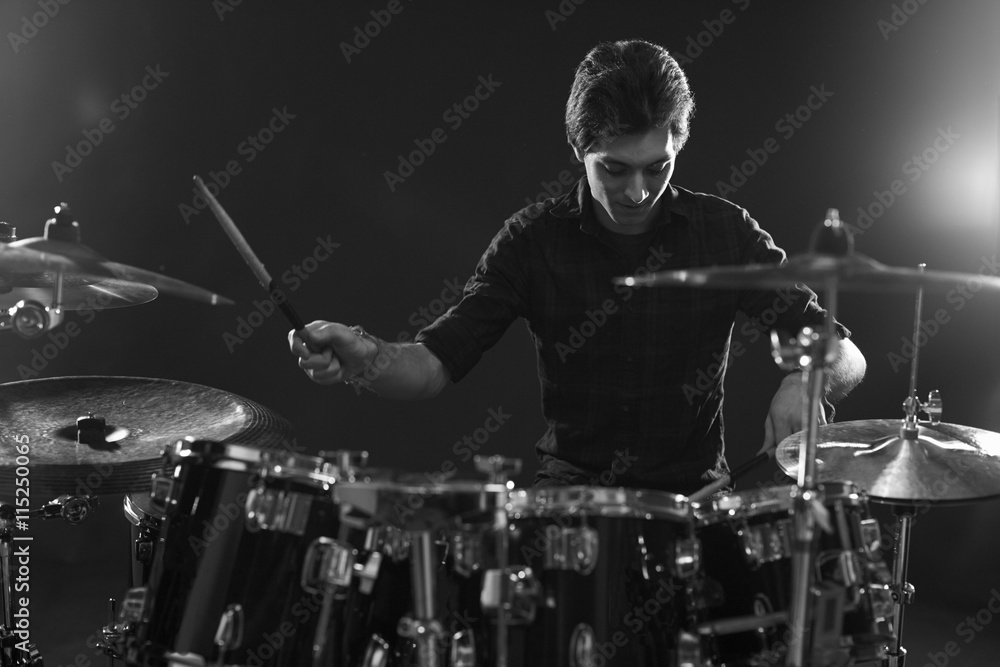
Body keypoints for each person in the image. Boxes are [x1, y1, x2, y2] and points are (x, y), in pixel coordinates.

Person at [289, 39, 865, 495]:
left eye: (656, 168)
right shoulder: (532, 241)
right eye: (615, 169)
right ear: (578, 149)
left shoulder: (724, 231)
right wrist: (366, 355)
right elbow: (434, 364)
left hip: (696, 498)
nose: (638, 191)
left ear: (677, 148)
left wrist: (807, 380)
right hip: (569, 497)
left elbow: (842, 350)